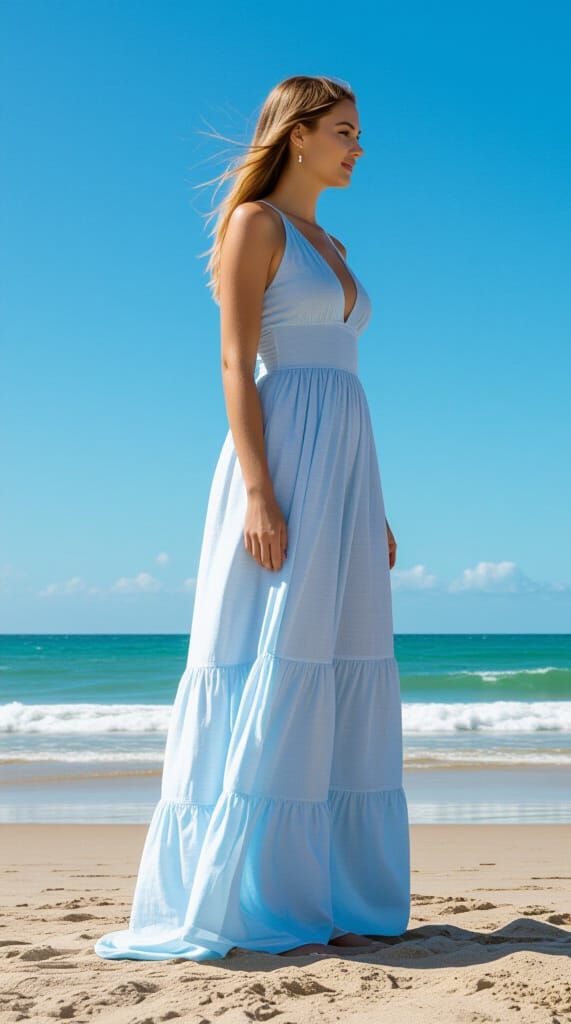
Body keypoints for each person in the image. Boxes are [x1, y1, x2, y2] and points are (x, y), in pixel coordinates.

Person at [95, 75, 410, 961]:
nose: (358, 148)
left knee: (341, 654)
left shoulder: (332, 239)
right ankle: (248, 893)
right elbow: (237, 365)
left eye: (360, 132)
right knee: (274, 648)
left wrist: (372, 507)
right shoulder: (256, 225)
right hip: (282, 458)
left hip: (346, 463)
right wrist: (259, 491)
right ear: (298, 135)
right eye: (345, 131)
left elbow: (347, 380)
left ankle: (335, 887)